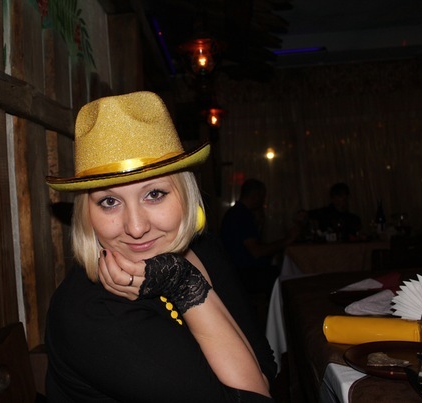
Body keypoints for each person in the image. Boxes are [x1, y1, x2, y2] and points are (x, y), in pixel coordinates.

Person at [44, 91, 276, 402]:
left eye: (154, 194)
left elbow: (264, 365)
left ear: (185, 194)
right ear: (87, 214)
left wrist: (181, 277)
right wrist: (186, 284)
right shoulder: (93, 315)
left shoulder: (205, 249)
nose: (136, 228)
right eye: (110, 201)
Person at [219, 179, 301, 296]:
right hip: (244, 275)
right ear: (255, 196)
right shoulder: (241, 215)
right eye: (262, 197)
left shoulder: (237, 213)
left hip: (238, 273)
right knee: (287, 281)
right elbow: (256, 251)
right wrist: (287, 240)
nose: (263, 201)